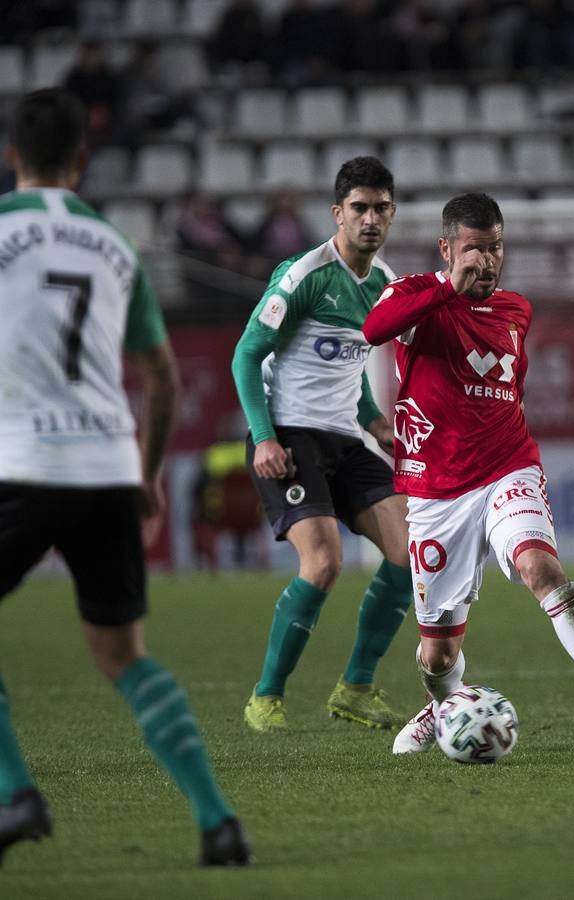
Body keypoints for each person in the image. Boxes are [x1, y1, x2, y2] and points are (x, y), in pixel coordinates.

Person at [0, 89, 250, 869]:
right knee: (124, 655)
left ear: (11, 154)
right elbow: (162, 377)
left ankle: (16, 793)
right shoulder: (113, 242)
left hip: (23, 465)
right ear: (82, 159)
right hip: (108, 467)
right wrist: (147, 474)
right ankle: (217, 822)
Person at [362, 192, 574, 755]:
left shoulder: (516, 310)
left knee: (540, 567)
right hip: (437, 493)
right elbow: (374, 329)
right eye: (473, 249)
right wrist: (448, 287)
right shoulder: (414, 295)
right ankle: (445, 705)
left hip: (508, 468)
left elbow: (507, 388)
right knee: (437, 653)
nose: (486, 261)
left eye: (495, 248)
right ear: (446, 249)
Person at [231, 157, 413, 734]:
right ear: (338, 213)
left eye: (381, 208)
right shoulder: (305, 274)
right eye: (359, 208)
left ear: (392, 213)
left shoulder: (383, 283)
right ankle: (266, 697)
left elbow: (347, 364)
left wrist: (373, 420)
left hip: (344, 437)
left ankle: (355, 687)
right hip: (288, 434)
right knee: (325, 561)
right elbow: (245, 356)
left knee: (411, 555)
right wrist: (264, 438)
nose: (370, 219)